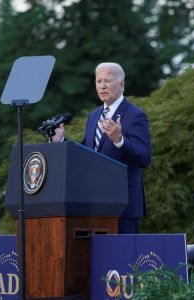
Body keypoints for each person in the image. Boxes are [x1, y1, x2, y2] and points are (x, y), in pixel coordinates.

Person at [53, 62, 151, 234]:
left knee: (122, 258)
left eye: (107, 81)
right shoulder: (94, 115)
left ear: (121, 84)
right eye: (98, 81)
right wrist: (61, 140)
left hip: (124, 206)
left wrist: (120, 140)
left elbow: (144, 157)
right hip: (95, 203)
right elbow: (86, 152)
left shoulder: (136, 115)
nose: (102, 86)